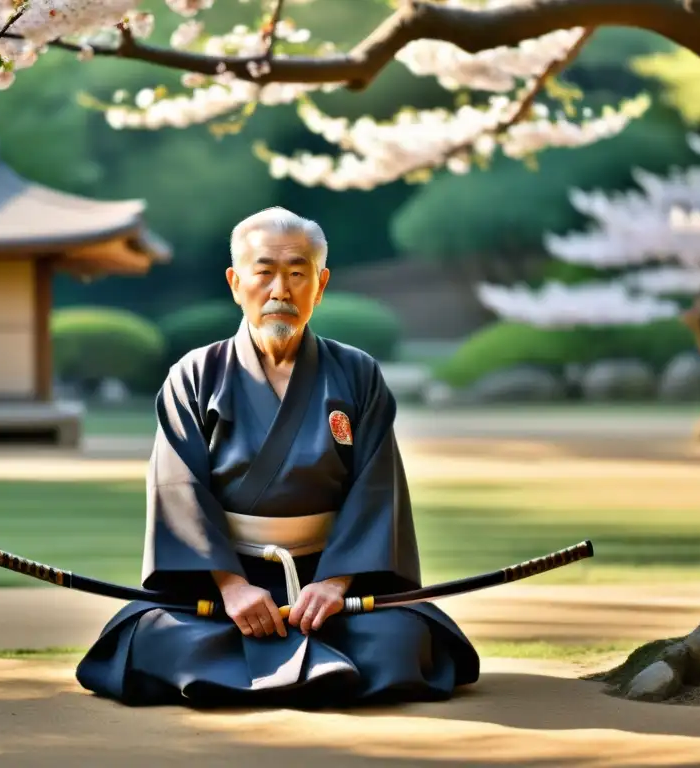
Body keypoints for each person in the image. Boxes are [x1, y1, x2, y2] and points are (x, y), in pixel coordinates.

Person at [76, 207, 480, 708]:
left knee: (402, 636)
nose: (280, 292)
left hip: (333, 586)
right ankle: (326, 674)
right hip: (223, 587)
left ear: (321, 283)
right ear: (235, 281)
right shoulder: (194, 375)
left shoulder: (357, 374)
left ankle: (250, 675)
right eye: (264, 272)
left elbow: (377, 488)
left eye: (296, 274)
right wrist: (232, 587)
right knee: (156, 636)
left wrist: (335, 582)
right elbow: (177, 489)